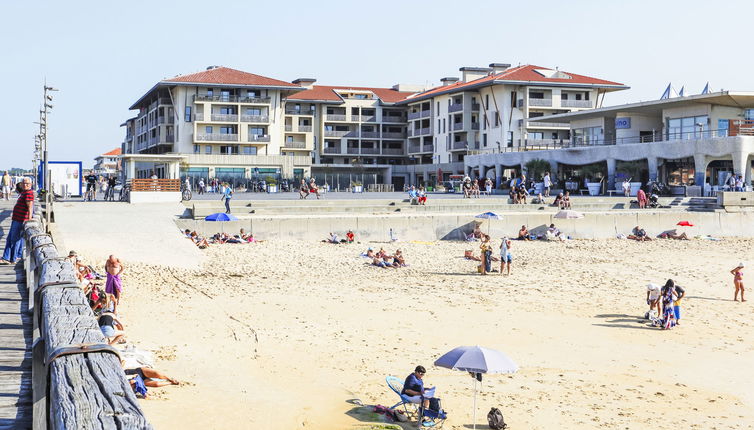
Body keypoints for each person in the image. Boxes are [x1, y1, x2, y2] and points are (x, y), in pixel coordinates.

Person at [1, 177, 33, 265]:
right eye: (24, 183)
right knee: (11, 239)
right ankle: (10, 257)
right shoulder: (24, 192)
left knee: (14, 239)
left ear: (31, 184)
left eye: (27, 184)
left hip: (20, 220)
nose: (25, 185)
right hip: (16, 219)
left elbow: (30, 207)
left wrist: (29, 219)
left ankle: (11, 258)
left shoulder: (28, 193)